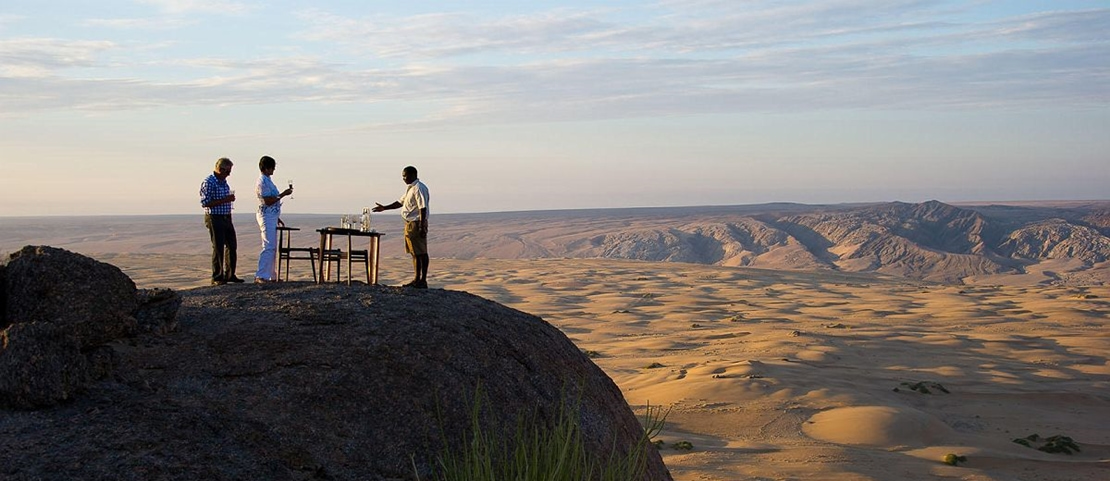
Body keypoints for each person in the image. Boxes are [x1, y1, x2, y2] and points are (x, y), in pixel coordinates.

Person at [373, 166, 430, 288]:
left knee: (421, 252)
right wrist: (384, 208)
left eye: (406, 176)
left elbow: (422, 207)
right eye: (403, 176)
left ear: (413, 175)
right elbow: (400, 202)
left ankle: (422, 280)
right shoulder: (410, 189)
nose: (404, 178)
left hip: (416, 223)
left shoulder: (418, 188)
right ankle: (417, 279)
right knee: (414, 252)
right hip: (409, 224)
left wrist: (421, 225)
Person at [199, 157, 243, 285]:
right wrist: (226, 200)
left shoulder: (223, 182)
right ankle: (217, 277)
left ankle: (230, 274)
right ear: (220, 169)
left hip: (226, 216)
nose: (229, 174)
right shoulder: (209, 182)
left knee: (231, 246)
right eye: (227, 171)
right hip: (215, 217)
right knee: (218, 247)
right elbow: (205, 202)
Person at [253, 155, 294, 283]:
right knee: (268, 245)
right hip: (266, 215)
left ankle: (270, 275)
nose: (273, 170)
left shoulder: (267, 181)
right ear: (266, 168)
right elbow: (268, 201)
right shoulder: (262, 182)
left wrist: (276, 217)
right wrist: (283, 194)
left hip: (271, 216)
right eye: (272, 168)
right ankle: (261, 275)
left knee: (272, 246)